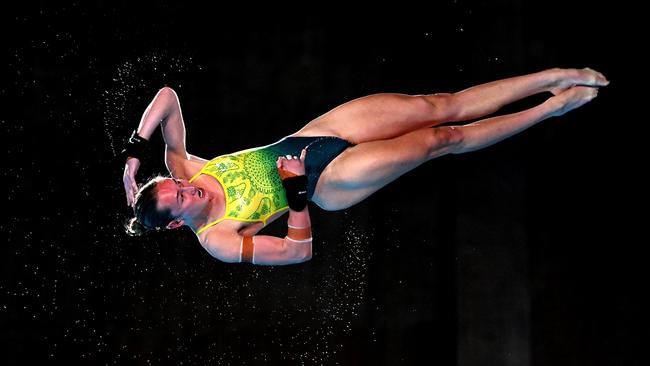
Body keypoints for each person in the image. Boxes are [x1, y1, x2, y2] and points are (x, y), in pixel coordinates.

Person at [122, 67, 608, 266]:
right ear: (175, 226)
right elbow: (298, 251)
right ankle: (552, 109)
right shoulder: (220, 240)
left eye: (178, 187)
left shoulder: (184, 167)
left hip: (316, 132)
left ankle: (555, 76)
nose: (191, 192)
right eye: (181, 202)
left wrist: (134, 154)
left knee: (438, 104)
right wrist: (293, 191)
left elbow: (166, 98)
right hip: (327, 182)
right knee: (443, 140)